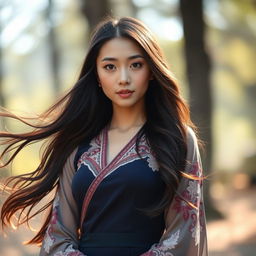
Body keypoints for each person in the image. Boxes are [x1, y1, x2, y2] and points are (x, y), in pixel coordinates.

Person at [0, 16, 208, 256]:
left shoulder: (178, 139)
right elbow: (58, 235)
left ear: (151, 70)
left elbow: (184, 234)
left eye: (135, 65)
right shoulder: (77, 142)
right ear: (97, 75)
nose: (123, 78)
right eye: (110, 66)